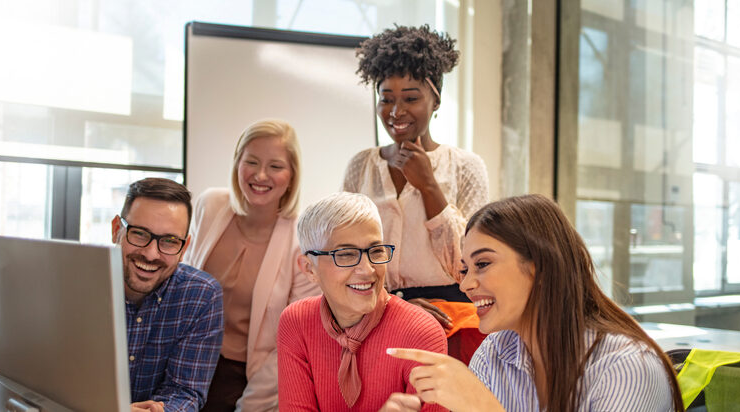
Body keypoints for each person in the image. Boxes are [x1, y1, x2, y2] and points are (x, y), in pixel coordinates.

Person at [386, 195, 684, 412]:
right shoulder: (492, 355)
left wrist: (482, 407)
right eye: (465, 269)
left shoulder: (626, 367)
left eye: (483, 264)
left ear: (540, 267)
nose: (465, 284)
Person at [346, 24, 489, 360]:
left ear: (435, 99)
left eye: (411, 98)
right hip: (375, 316)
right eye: (387, 99)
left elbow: (469, 263)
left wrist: (428, 185)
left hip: (450, 323)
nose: (396, 112)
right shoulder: (362, 165)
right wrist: (398, 304)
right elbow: (344, 251)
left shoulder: (465, 167)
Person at [184, 119, 320, 411]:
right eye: (252, 162)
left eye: (275, 166)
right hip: (187, 359)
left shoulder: (303, 240)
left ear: (292, 174)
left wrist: (252, 404)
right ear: (237, 163)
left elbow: (293, 339)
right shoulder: (209, 205)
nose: (260, 175)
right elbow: (182, 286)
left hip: (245, 376)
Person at [277, 192, 448, 411]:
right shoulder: (296, 322)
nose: (367, 270)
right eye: (346, 254)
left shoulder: (421, 331)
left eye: (375, 251)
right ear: (310, 269)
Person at [110, 177, 224, 412]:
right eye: (140, 234)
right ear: (116, 230)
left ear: (184, 248)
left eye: (170, 241)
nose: (151, 254)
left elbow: (185, 390)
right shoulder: (75, 282)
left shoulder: (201, 296)